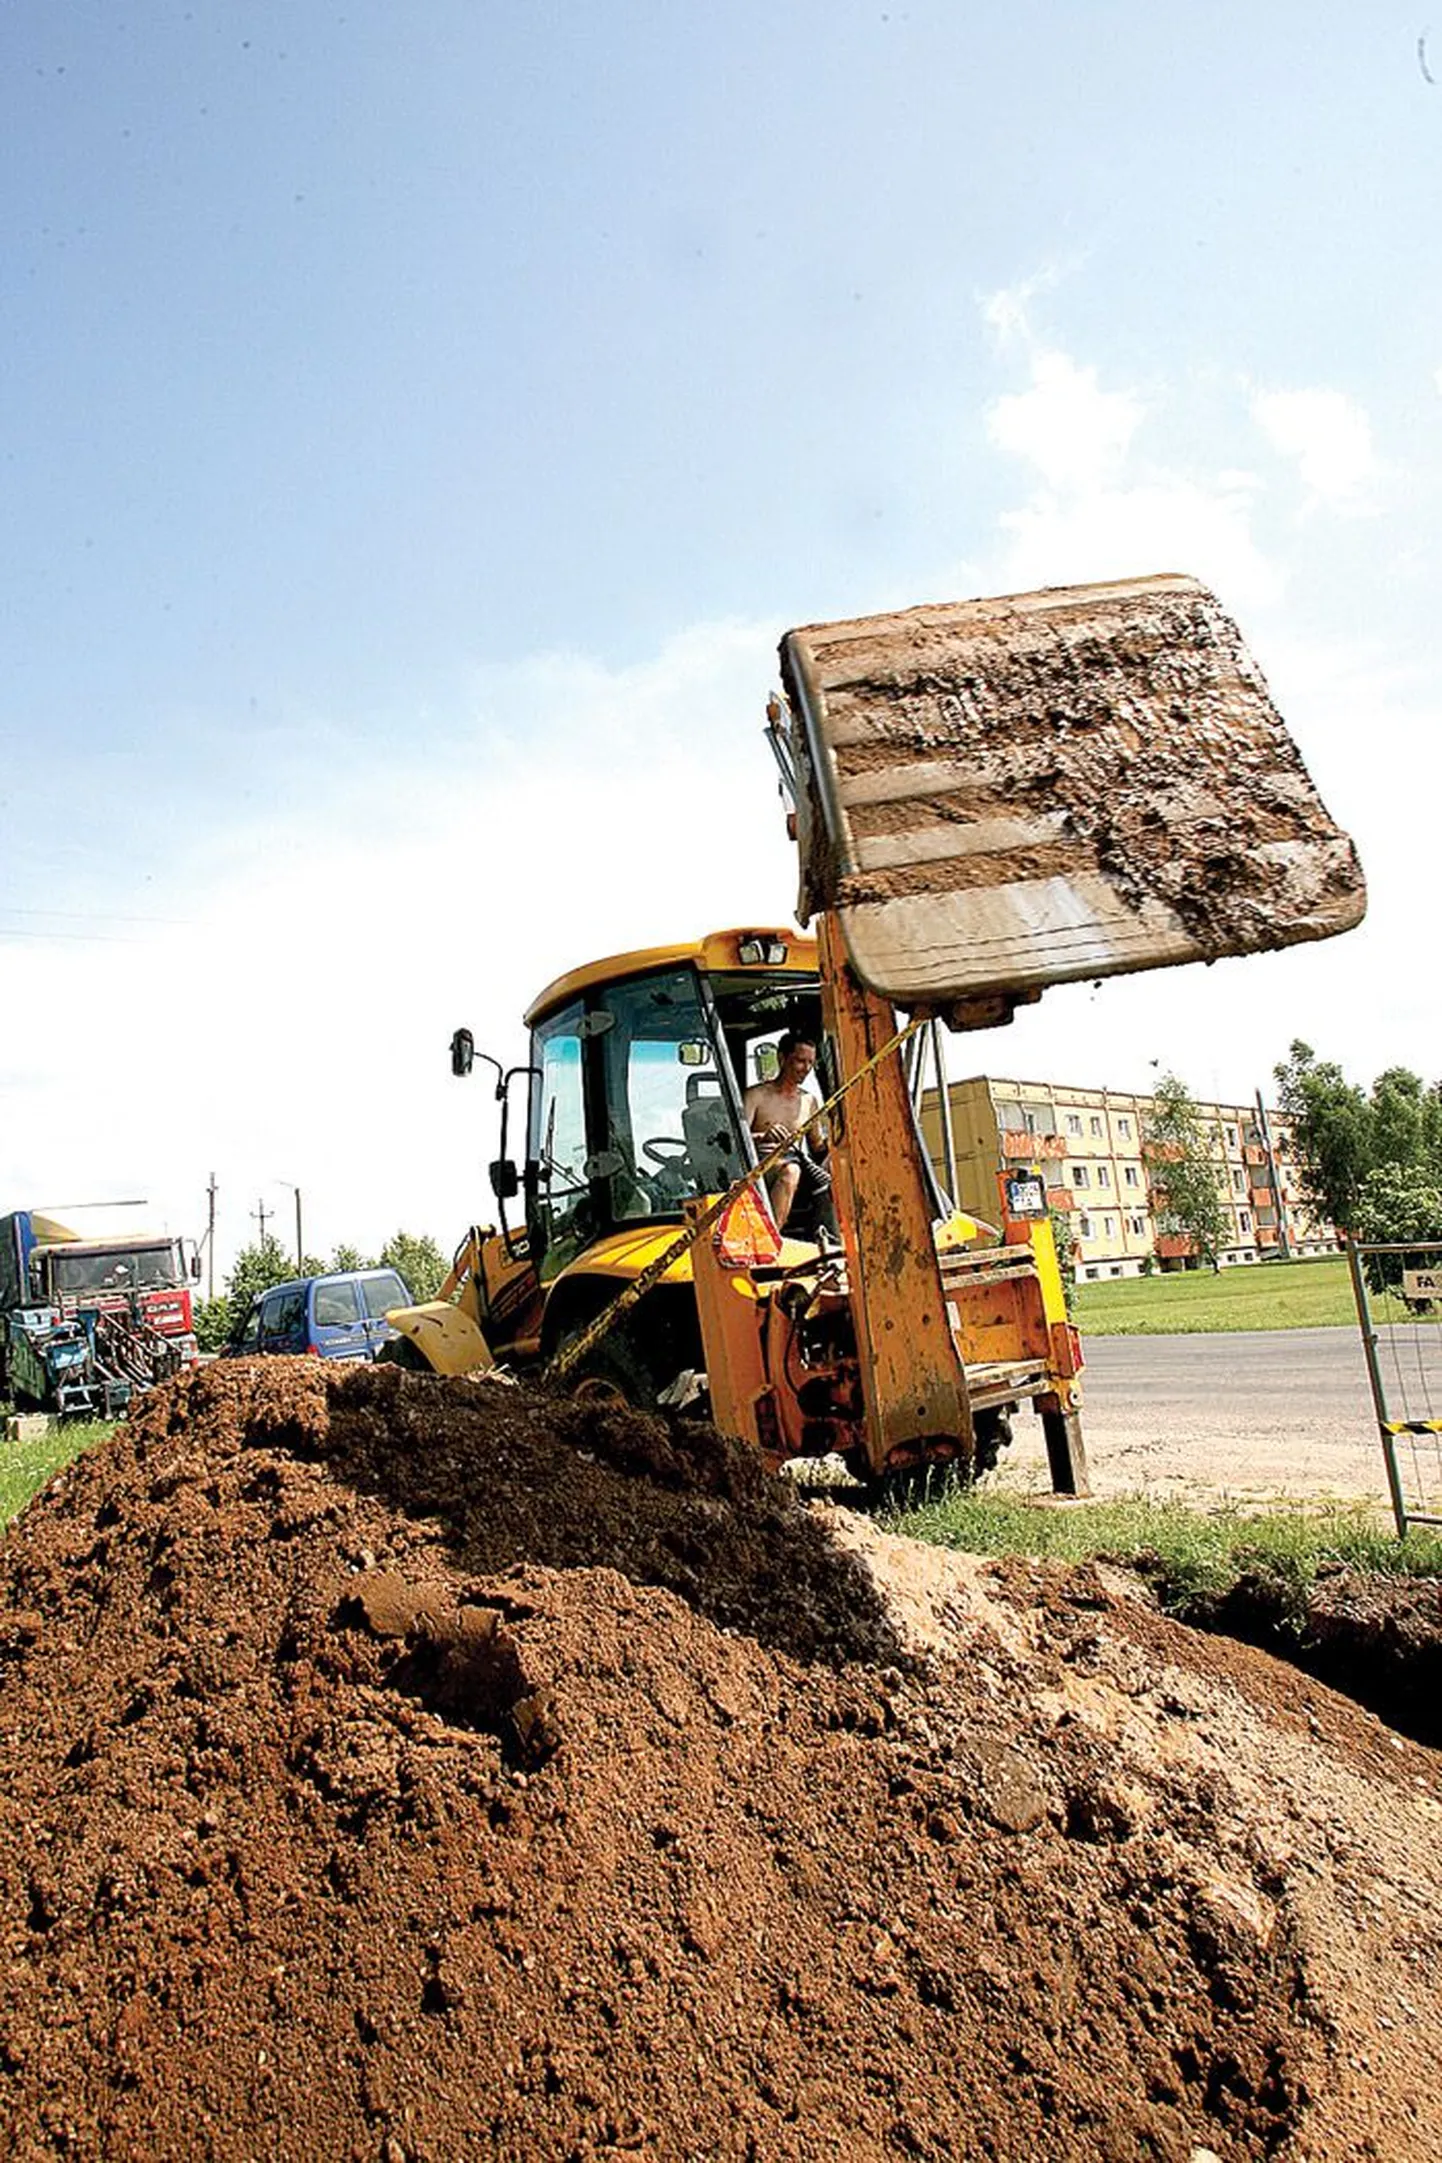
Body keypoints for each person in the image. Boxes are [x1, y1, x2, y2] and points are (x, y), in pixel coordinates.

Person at [742, 1031, 834, 1234]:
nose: (806, 1069)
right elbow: (737, 1140)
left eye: (811, 1062)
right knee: (791, 1171)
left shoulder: (809, 1101)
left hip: (795, 1161)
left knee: (836, 1173)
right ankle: (770, 1237)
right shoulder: (756, 1096)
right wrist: (763, 1136)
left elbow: (817, 1145)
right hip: (759, 1166)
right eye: (800, 1061)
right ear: (782, 1058)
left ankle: (831, 1237)